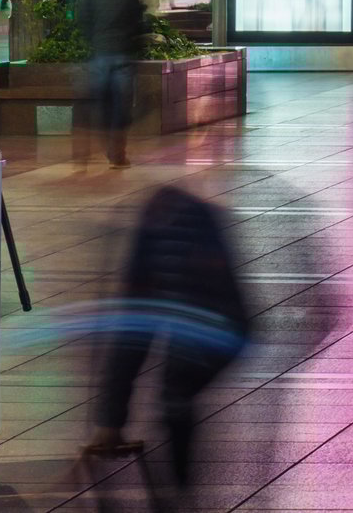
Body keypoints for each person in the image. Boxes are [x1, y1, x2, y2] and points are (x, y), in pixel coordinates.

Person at [85, 186, 250, 494]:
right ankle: (179, 487)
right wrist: (111, 418)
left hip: (218, 325)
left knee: (174, 395)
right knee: (174, 396)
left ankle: (179, 489)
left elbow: (132, 338)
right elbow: (131, 340)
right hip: (210, 321)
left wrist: (111, 420)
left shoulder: (170, 235)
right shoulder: (162, 234)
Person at [75, 0, 143, 168]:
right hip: (122, 55)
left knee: (95, 103)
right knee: (120, 107)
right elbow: (137, 20)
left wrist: (93, 40)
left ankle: (82, 155)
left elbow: (83, 19)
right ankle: (117, 154)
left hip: (100, 54)